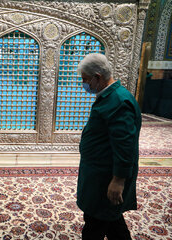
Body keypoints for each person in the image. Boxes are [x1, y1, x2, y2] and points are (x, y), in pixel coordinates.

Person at [76, 53, 141, 240]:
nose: (84, 84)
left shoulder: (119, 102)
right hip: (99, 172)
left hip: (106, 177)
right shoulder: (111, 96)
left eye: (85, 80)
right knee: (110, 218)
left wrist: (118, 180)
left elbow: (125, 144)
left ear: (97, 77)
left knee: (96, 221)